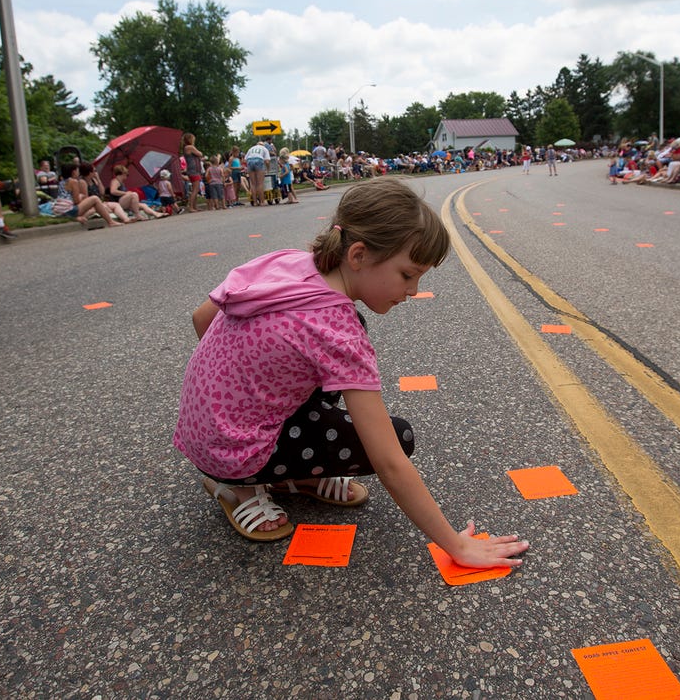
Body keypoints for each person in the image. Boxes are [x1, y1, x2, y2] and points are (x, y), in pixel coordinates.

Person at [173, 178, 531, 568]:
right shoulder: (336, 331)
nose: (413, 290)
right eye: (407, 274)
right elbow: (389, 461)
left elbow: (201, 318)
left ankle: (298, 475)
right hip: (230, 452)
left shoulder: (288, 263)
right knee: (398, 435)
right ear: (358, 255)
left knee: (315, 365)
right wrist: (457, 547)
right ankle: (239, 487)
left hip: (201, 425)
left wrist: (237, 382)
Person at [55, 162, 125, 226]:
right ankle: (110, 222)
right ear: (73, 172)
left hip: (59, 209)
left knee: (94, 202)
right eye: (77, 171)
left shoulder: (62, 182)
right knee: (95, 198)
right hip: (69, 210)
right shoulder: (73, 182)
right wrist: (81, 196)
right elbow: (76, 201)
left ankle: (109, 220)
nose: (78, 173)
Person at [182, 133, 205, 212]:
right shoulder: (189, 147)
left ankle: (195, 206)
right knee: (195, 189)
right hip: (193, 170)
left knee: (196, 189)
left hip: (193, 170)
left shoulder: (186, 148)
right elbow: (200, 153)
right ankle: (191, 207)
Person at [245, 140, 269, 207]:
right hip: (258, 160)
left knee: (253, 183)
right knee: (260, 183)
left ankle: (255, 202)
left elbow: (245, 159)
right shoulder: (264, 149)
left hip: (249, 161)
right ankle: (262, 201)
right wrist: (267, 169)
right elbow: (267, 161)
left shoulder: (251, 148)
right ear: (263, 145)